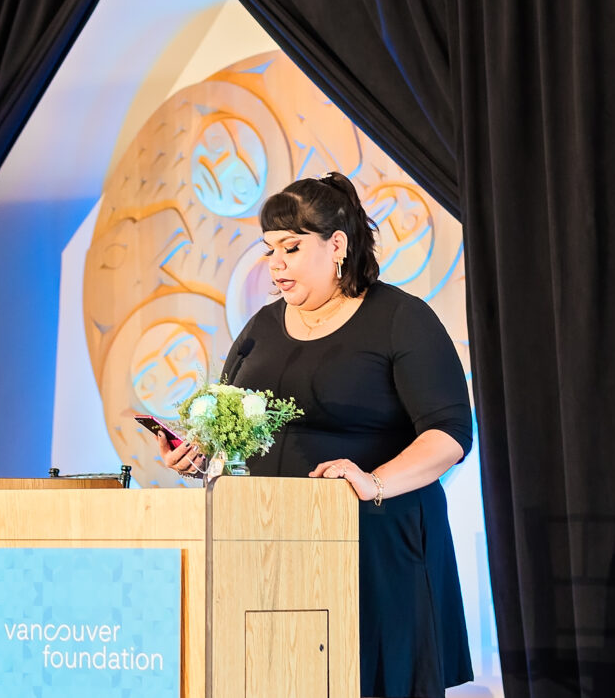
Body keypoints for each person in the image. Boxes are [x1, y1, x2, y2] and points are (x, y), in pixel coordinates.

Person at [159, 172, 473, 697]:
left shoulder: (400, 319)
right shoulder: (260, 326)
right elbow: (228, 425)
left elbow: (450, 435)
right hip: (270, 550)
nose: (275, 263)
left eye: (290, 247)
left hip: (375, 548)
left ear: (337, 246)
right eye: (268, 250)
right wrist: (200, 455)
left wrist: (371, 481)